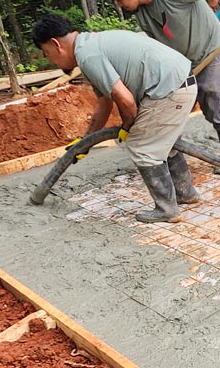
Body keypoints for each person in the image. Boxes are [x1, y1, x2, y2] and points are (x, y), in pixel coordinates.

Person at [31, 13, 199, 224]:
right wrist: (85, 142)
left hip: (168, 88)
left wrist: (128, 126)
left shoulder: (87, 56)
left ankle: (167, 209)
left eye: (47, 53)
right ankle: (186, 194)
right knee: (163, 142)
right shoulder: (93, 44)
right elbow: (105, 104)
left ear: (56, 44)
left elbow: (125, 100)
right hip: (181, 81)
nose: (50, 60)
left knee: (142, 147)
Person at [99, 0, 220, 160]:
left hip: (209, 47)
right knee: (170, 105)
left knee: (211, 96)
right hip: (180, 61)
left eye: (118, 0)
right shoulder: (141, 12)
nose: (119, 5)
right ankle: (170, 152)